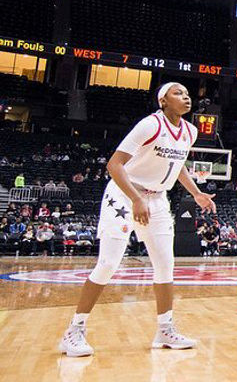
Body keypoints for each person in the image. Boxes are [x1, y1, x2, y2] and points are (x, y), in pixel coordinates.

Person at [58, 83, 216, 357]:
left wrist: (197, 192)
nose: (186, 96)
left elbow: (178, 168)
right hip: (124, 194)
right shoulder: (149, 125)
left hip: (156, 199)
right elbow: (114, 165)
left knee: (166, 265)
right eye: (178, 93)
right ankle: (74, 330)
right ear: (163, 101)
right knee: (108, 263)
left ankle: (165, 329)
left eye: (187, 93)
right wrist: (135, 199)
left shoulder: (190, 131)